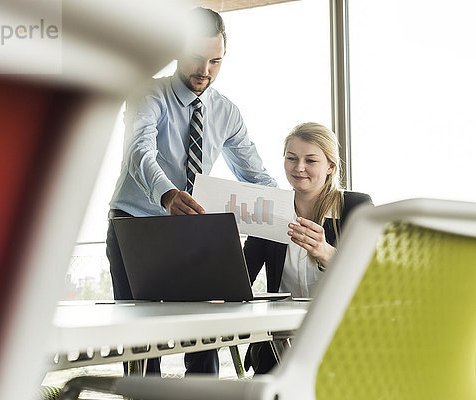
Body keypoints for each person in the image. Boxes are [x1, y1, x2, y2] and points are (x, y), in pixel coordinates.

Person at [106, 7, 277, 376]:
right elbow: (140, 151)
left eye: (215, 61)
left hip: (190, 231)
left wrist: (289, 209)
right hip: (136, 227)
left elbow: (257, 177)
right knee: (142, 338)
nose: (205, 71)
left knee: (204, 332)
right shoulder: (148, 94)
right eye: (196, 58)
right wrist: (167, 194)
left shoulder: (226, 112)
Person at [243, 122, 373, 374]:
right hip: (280, 345)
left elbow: (374, 276)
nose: (298, 167)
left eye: (310, 160)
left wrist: (327, 253)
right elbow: (242, 274)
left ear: (330, 167)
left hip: (340, 338)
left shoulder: (356, 207)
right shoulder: (271, 209)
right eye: (291, 158)